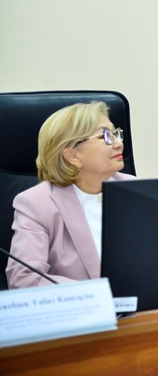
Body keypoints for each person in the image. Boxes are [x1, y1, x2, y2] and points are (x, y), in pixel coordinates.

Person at [6, 101, 135, 288]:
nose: (118, 143)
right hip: (83, 306)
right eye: (105, 136)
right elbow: (24, 278)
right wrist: (93, 294)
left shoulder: (133, 189)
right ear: (73, 155)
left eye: (116, 133)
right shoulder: (37, 204)